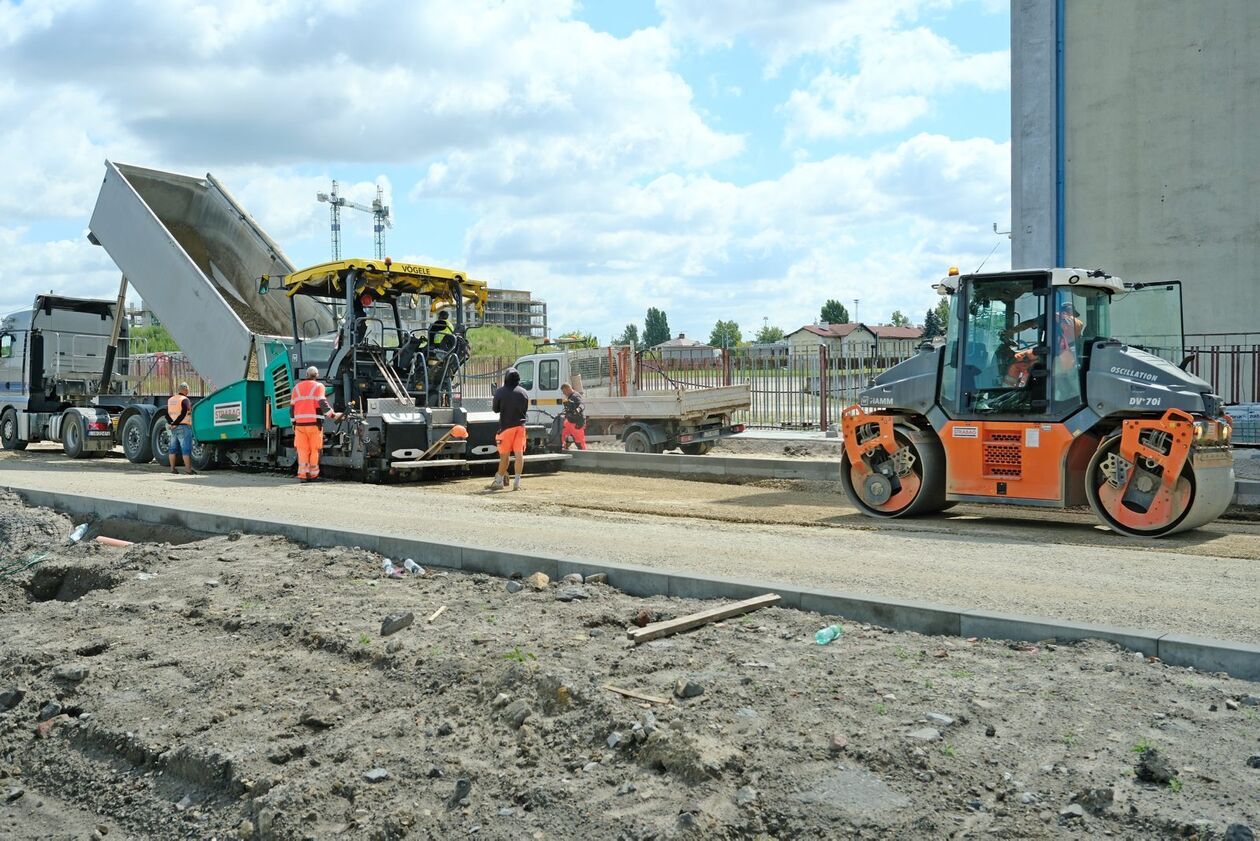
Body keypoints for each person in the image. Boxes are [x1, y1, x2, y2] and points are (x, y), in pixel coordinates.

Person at [291, 366, 344, 482]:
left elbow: (292, 407)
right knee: (314, 449)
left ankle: (303, 475)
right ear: (317, 376)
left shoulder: (296, 388)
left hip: (299, 426)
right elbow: (322, 403)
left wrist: (293, 422)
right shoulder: (319, 386)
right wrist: (333, 415)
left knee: (302, 450)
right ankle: (313, 475)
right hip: (314, 424)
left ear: (306, 375)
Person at [489, 367, 529, 490]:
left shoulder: (500, 392)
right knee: (519, 454)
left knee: (504, 456)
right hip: (520, 427)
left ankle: (499, 481)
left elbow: (495, 409)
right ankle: (517, 483)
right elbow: (525, 409)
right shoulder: (524, 392)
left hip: (506, 428)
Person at [165, 382, 196, 476]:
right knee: (186, 448)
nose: (188, 391)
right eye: (188, 389)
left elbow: (166, 414)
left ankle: (172, 469)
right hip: (183, 426)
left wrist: (172, 423)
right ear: (185, 389)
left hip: (173, 427)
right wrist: (176, 423)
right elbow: (183, 413)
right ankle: (188, 470)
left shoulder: (170, 400)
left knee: (172, 448)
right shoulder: (185, 400)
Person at [560, 383, 587, 450]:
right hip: (569, 421)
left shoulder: (575, 396)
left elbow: (582, 404)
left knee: (579, 442)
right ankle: (563, 447)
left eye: (564, 392)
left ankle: (584, 454)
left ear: (568, 389)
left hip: (577, 422)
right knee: (560, 433)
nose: (564, 394)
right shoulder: (570, 397)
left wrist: (578, 409)